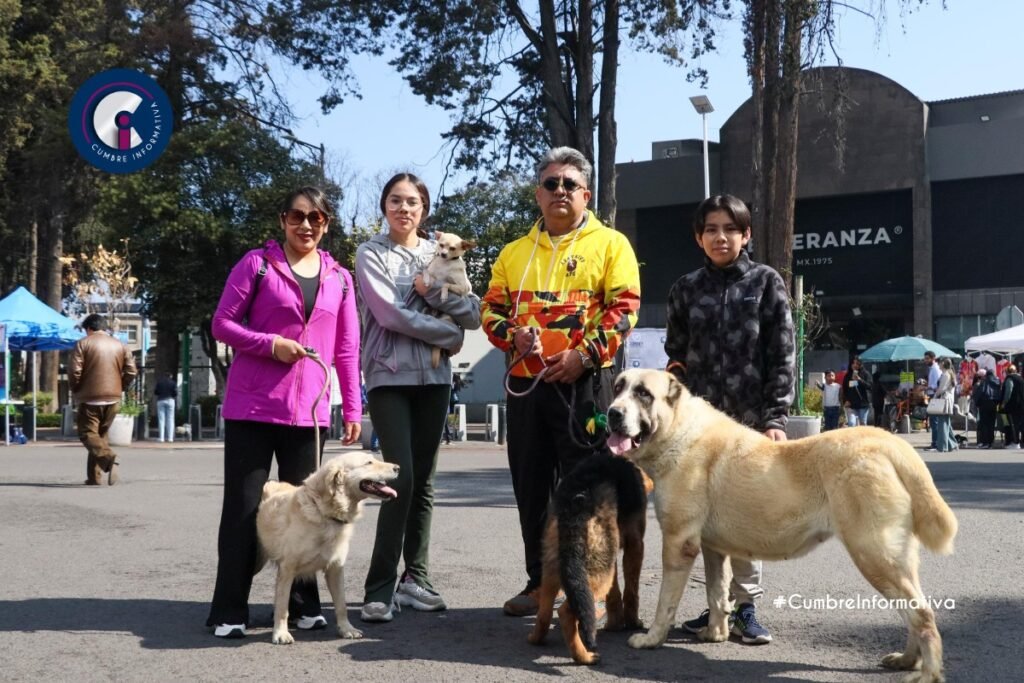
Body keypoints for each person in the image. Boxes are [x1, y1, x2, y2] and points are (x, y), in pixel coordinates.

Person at [481, 146, 641, 618]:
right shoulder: (513, 253)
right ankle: (540, 583)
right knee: (531, 488)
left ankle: (590, 587)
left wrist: (585, 354)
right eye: (551, 183)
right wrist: (513, 335)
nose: (560, 191)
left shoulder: (611, 244)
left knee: (586, 490)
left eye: (570, 184)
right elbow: (489, 310)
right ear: (538, 194)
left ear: (586, 194)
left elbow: (625, 308)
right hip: (528, 387)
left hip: (585, 386)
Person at [206, 186, 362, 639]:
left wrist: (352, 405)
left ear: (327, 224)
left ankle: (302, 606)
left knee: (311, 511)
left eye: (316, 217)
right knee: (242, 509)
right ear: (283, 220)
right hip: (252, 407)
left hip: (309, 414)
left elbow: (347, 348)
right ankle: (229, 609)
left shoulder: (341, 278)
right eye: (297, 216)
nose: (306, 225)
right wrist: (269, 344)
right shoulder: (255, 265)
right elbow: (222, 323)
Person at [664, 193, 795, 645]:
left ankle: (746, 607)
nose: (721, 237)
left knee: (745, 516)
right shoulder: (685, 289)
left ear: (746, 235)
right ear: (699, 238)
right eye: (711, 230)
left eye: (730, 229)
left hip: (751, 423)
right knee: (708, 518)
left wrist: (775, 417)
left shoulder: (766, 282)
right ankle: (717, 607)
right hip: (698, 429)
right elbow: (675, 358)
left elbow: (782, 355)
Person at [356, 173, 481, 623]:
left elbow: (473, 312)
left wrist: (442, 305)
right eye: (395, 200)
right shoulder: (370, 253)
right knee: (400, 475)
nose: (404, 209)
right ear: (384, 206)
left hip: (434, 378)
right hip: (388, 374)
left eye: (412, 202)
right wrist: (446, 331)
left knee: (425, 479)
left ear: (423, 209)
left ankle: (417, 579)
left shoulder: (440, 249)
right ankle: (379, 587)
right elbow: (389, 313)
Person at [69, 313, 138, 486]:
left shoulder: (83, 344)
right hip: (113, 398)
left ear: (89, 329)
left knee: (87, 433)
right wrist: (119, 387)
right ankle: (94, 477)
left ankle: (109, 458)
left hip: (90, 397)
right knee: (100, 436)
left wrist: (77, 389)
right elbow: (131, 371)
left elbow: (75, 372)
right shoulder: (120, 345)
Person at [925, 358, 958, 452]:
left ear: (943, 364)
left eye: (939, 363)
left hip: (944, 400)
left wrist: (935, 396)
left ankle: (942, 446)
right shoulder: (950, 374)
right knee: (946, 423)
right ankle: (952, 444)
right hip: (948, 400)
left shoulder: (945, 375)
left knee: (942, 423)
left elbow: (941, 389)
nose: (938, 365)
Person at [971, 369, 999, 449]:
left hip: (984, 404)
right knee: (992, 424)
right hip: (994, 404)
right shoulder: (997, 382)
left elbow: (979, 393)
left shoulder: (984, 382)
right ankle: (991, 442)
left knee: (984, 424)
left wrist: (977, 403)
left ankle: (985, 442)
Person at [840, 355, 872, 427]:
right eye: (853, 363)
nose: (855, 365)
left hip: (863, 404)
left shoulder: (866, 374)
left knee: (863, 424)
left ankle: (863, 438)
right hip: (851, 405)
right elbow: (845, 389)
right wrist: (845, 400)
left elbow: (870, 386)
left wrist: (860, 380)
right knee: (852, 423)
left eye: (857, 363)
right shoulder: (847, 376)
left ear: (860, 365)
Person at [1000, 364, 1024, 449]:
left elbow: (1008, 391)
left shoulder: (1010, 378)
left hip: (1013, 405)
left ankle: (1015, 442)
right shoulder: (1021, 378)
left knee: (1014, 424)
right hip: (1021, 405)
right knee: (1021, 424)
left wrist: (1004, 402)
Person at [924, 350, 943, 448]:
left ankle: (935, 443)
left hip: (935, 396)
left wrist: (928, 387)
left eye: (927, 358)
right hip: (933, 395)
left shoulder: (935, 369)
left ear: (933, 358)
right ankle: (935, 442)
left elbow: (937, 385)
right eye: (925, 358)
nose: (925, 360)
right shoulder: (932, 368)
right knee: (933, 420)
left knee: (934, 420)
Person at [153, 372, 177, 443]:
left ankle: (161, 438)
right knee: (170, 419)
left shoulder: (159, 382)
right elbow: (175, 393)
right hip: (170, 400)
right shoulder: (173, 383)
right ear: (171, 376)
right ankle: (170, 438)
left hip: (161, 400)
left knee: (161, 420)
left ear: (164, 376)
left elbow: (156, 392)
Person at [443, 373, 464, 444]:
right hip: (455, 400)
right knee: (452, 417)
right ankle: (451, 433)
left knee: (450, 418)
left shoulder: (453, 384)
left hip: (451, 401)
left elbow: (451, 390)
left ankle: (450, 434)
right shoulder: (457, 383)